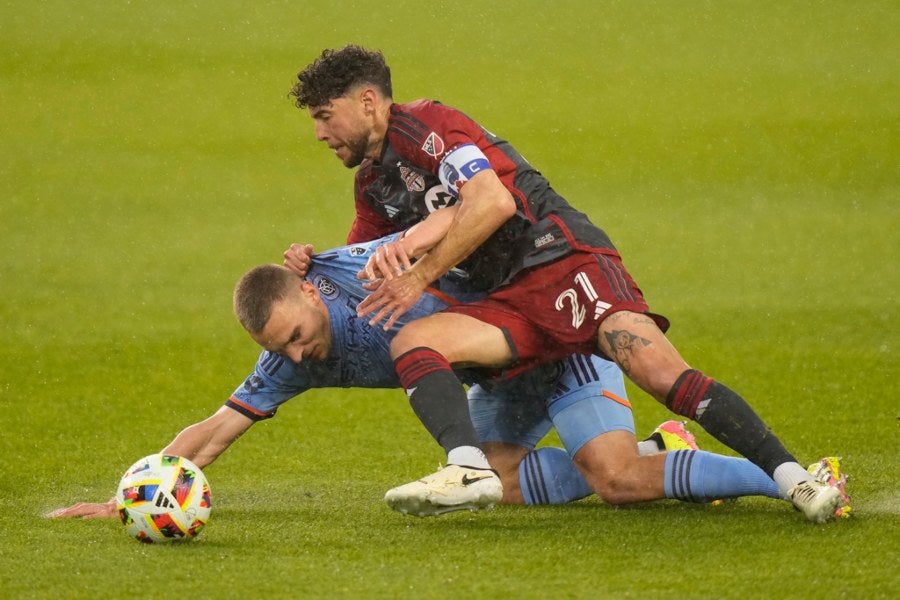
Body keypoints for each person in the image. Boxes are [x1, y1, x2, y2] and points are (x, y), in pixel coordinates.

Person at [288, 44, 850, 522]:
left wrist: (421, 276)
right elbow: (365, 259)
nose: (318, 133)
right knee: (419, 343)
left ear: (367, 102)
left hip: (560, 261)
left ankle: (797, 477)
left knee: (659, 373)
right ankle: (469, 468)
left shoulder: (429, 124)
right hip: (505, 300)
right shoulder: (373, 183)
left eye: (324, 115)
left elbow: (493, 202)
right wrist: (313, 267)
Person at [45, 222, 801, 520]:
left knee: (614, 483)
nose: (301, 355)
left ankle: (785, 479)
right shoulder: (288, 361)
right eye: (284, 350)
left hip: (549, 344)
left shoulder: (362, 267)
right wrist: (133, 495)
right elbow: (213, 432)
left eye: (303, 336)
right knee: (498, 490)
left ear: (312, 291)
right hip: (497, 384)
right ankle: (666, 453)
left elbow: (467, 219)